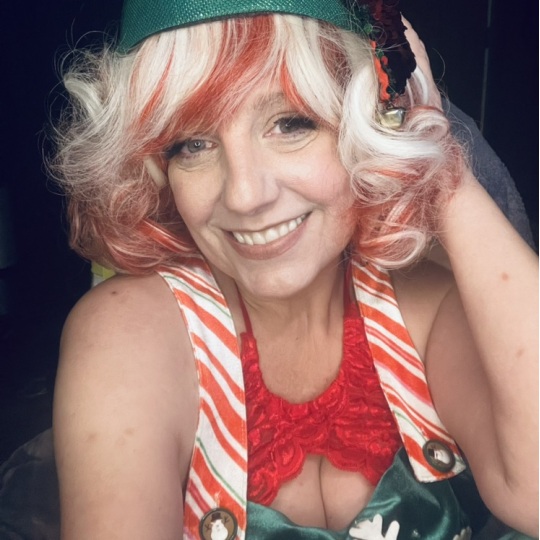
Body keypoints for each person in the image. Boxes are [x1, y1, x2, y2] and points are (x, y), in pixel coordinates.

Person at [47, 0, 538, 538]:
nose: (244, 195)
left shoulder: (429, 307)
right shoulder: (127, 336)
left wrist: (432, 156)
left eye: (290, 123)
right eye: (192, 144)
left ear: (365, 128)